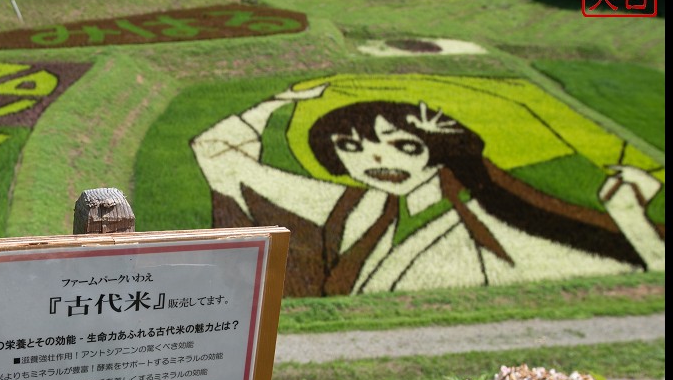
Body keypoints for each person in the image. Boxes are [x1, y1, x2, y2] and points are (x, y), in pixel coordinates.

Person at [191, 84, 664, 296]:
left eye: (401, 144)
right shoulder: (358, 206)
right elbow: (216, 154)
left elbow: (628, 261)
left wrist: (629, 217)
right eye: (352, 147)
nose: (377, 160)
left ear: (438, 147)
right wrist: (275, 104)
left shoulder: (493, 224)